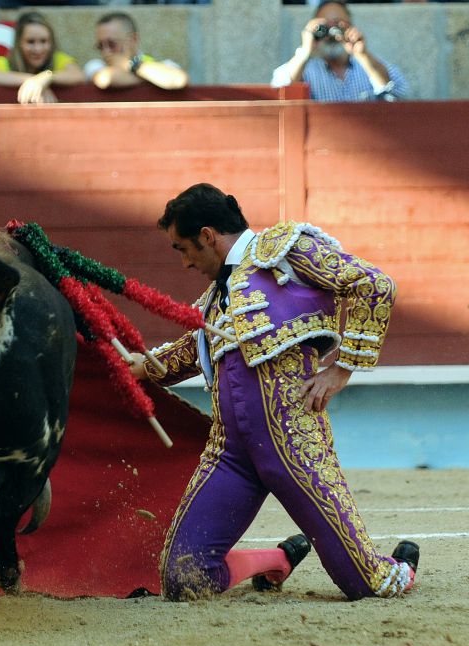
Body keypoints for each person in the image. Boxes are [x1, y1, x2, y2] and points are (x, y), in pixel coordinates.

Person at [128, 183, 420, 601]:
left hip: (293, 443)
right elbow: (195, 349)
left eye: (183, 248)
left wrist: (342, 369)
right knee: (182, 579)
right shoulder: (214, 299)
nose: (185, 261)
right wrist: (141, 367)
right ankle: (276, 561)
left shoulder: (285, 249)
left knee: (365, 583)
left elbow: (373, 284)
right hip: (230, 453)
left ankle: (401, 568)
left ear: (208, 235)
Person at [270, 0, 407, 102]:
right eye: (325, 26)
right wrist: (306, 50)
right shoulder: (306, 70)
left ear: (351, 26)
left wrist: (363, 55)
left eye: (338, 24)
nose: (332, 34)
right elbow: (278, 91)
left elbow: (400, 93)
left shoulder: (369, 64)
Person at [0, 11, 85, 104]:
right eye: (30, 42)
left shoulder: (58, 58)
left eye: (43, 41)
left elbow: (78, 75)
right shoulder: (4, 62)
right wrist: (35, 80)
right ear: (19, 43)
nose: (38, 49)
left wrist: (47, 77)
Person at [83, 11, 188, 91]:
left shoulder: (159, 64)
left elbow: (178, 80)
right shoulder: (95, 65)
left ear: (133, 39)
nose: (106, 51)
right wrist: (153, 79)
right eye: (100, 46)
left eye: (112, 44)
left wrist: (130, 65)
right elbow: (106, 79)